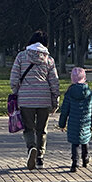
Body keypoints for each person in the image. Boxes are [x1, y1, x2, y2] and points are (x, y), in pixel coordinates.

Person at [9, 30, 60, 170]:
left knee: (28, 128)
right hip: (44, 99)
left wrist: (16, 92)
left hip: (25, 100)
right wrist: (55, 100)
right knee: (42, 130)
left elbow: (14, 79)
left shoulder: (21, 57)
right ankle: (40, 158)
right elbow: (54, 82)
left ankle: (31, 148)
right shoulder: (49, 60)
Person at [58, 67, 92, 173]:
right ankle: (85, 159)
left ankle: (74, 163)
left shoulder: (69, 93)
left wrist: (62, 124)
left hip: (73, 121)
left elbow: (65, 110)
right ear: (84, 78)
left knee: (75, 143)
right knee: (85, 140)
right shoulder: (90, 93)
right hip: (86, 121)